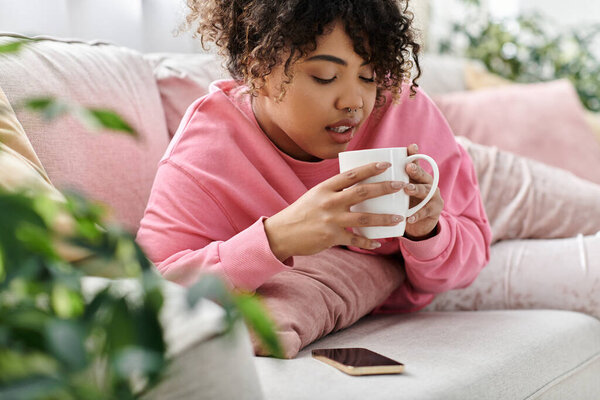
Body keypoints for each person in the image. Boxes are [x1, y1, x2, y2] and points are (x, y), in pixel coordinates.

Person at [136, 0, 492, 313]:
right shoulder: (207, 152)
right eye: (325, 76)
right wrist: (277, 238)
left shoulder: (399, 105)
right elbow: (149, 290)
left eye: (368, 76)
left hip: (482, 170)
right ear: (258, 69)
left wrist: (428, 232)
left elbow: (472, 252)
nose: (354, 102)